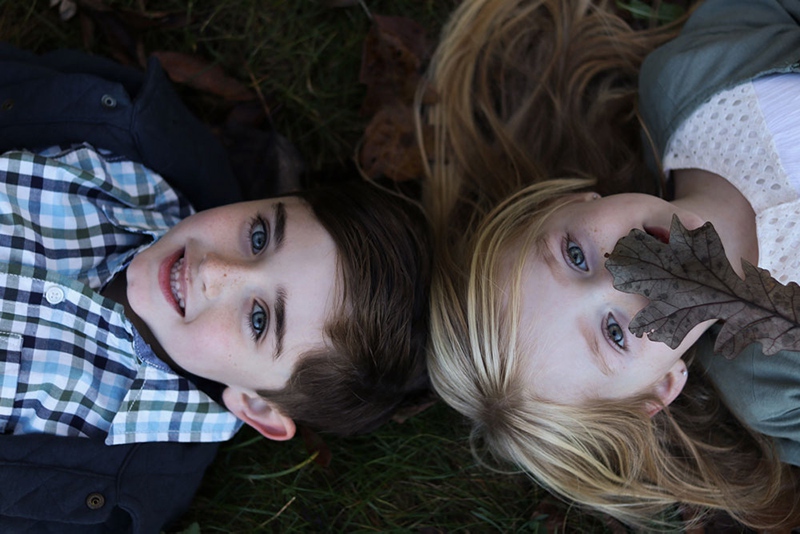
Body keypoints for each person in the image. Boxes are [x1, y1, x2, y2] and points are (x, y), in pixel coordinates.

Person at [0, 44, 431, 532]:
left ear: (255, 405)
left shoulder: (105, 490)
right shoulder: (137, 138)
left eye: (259, 320)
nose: (215, 271)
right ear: (272, 199)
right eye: (259, 236)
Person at [420, 0, 800, 529]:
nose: (624, 272)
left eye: (575, 255)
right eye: (616, 333)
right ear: (662, 387)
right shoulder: (778, 392)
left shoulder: (691, 78)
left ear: (571, 202)